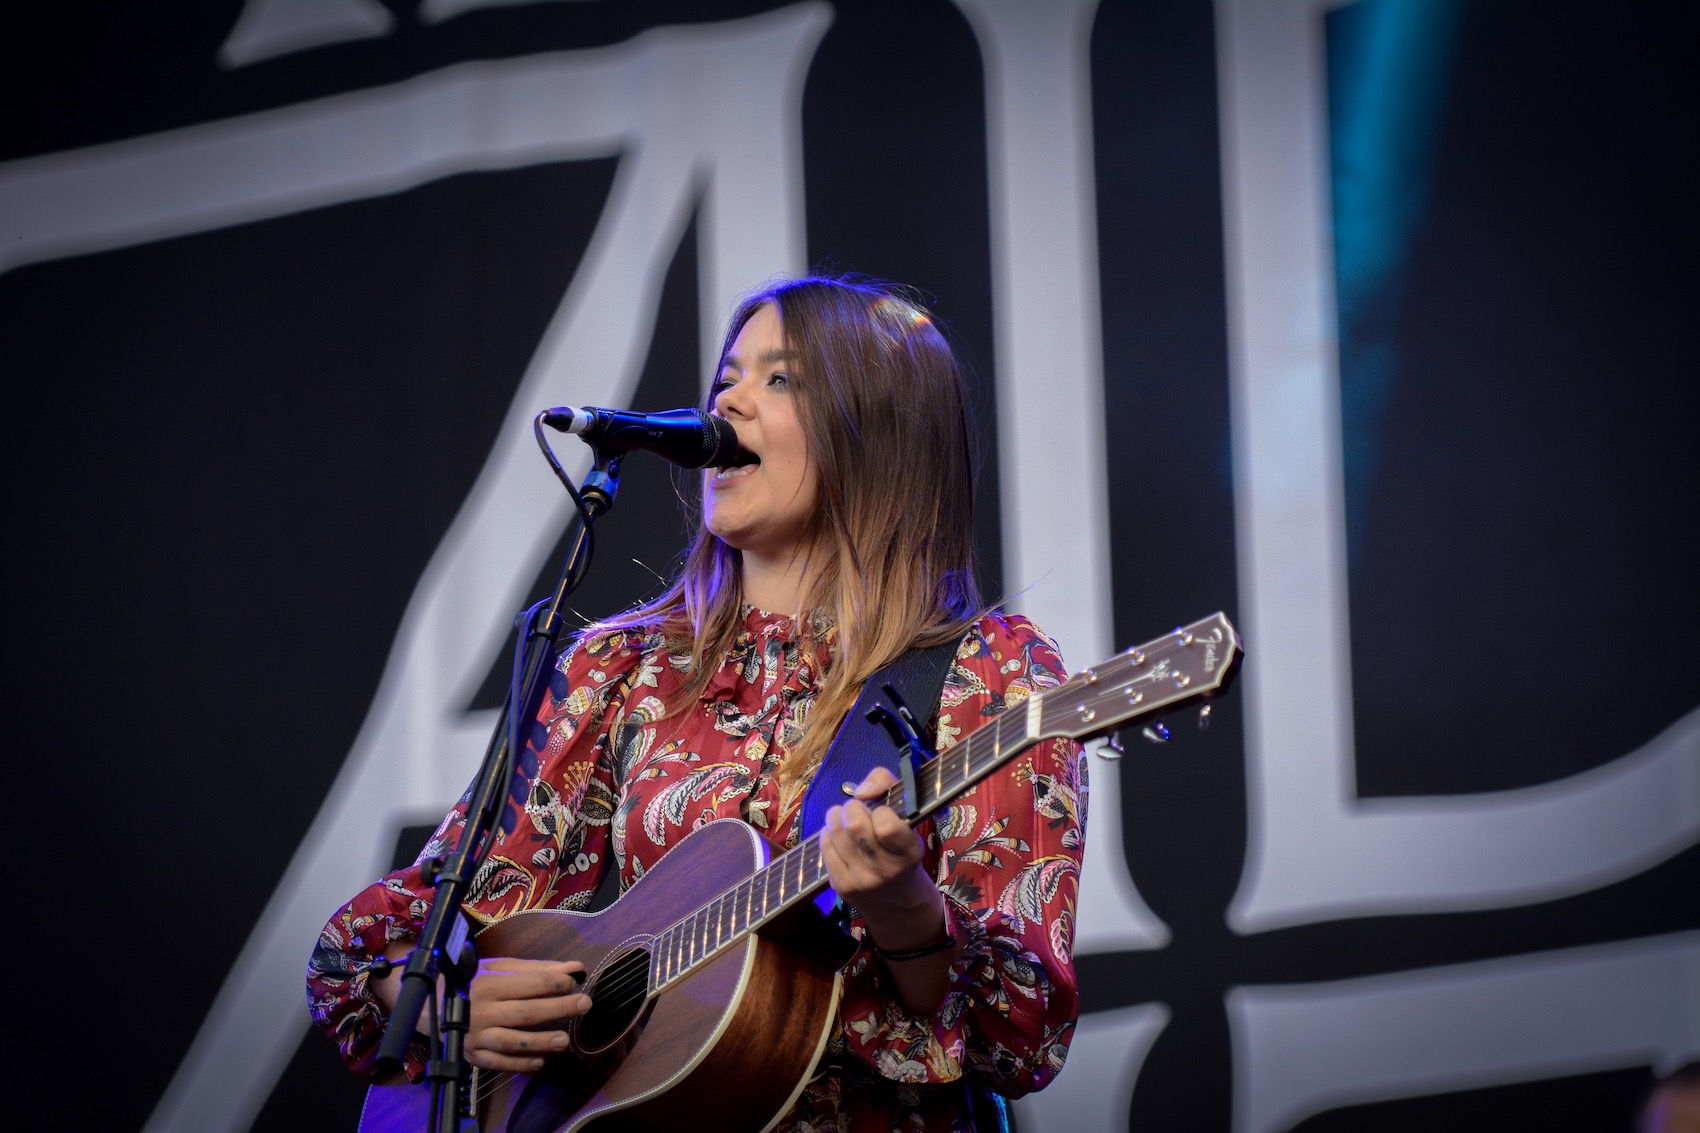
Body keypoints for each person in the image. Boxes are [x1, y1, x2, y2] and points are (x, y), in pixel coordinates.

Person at [307, 274, 1085, 1130]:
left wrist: (905, 914)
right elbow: (377, 942)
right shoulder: (618, 668)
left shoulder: (990, 673)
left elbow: (1019, 1036)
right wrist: (449, 1008)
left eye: (779, 378)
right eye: (727, 377)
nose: (730, 399)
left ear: (882, 431)